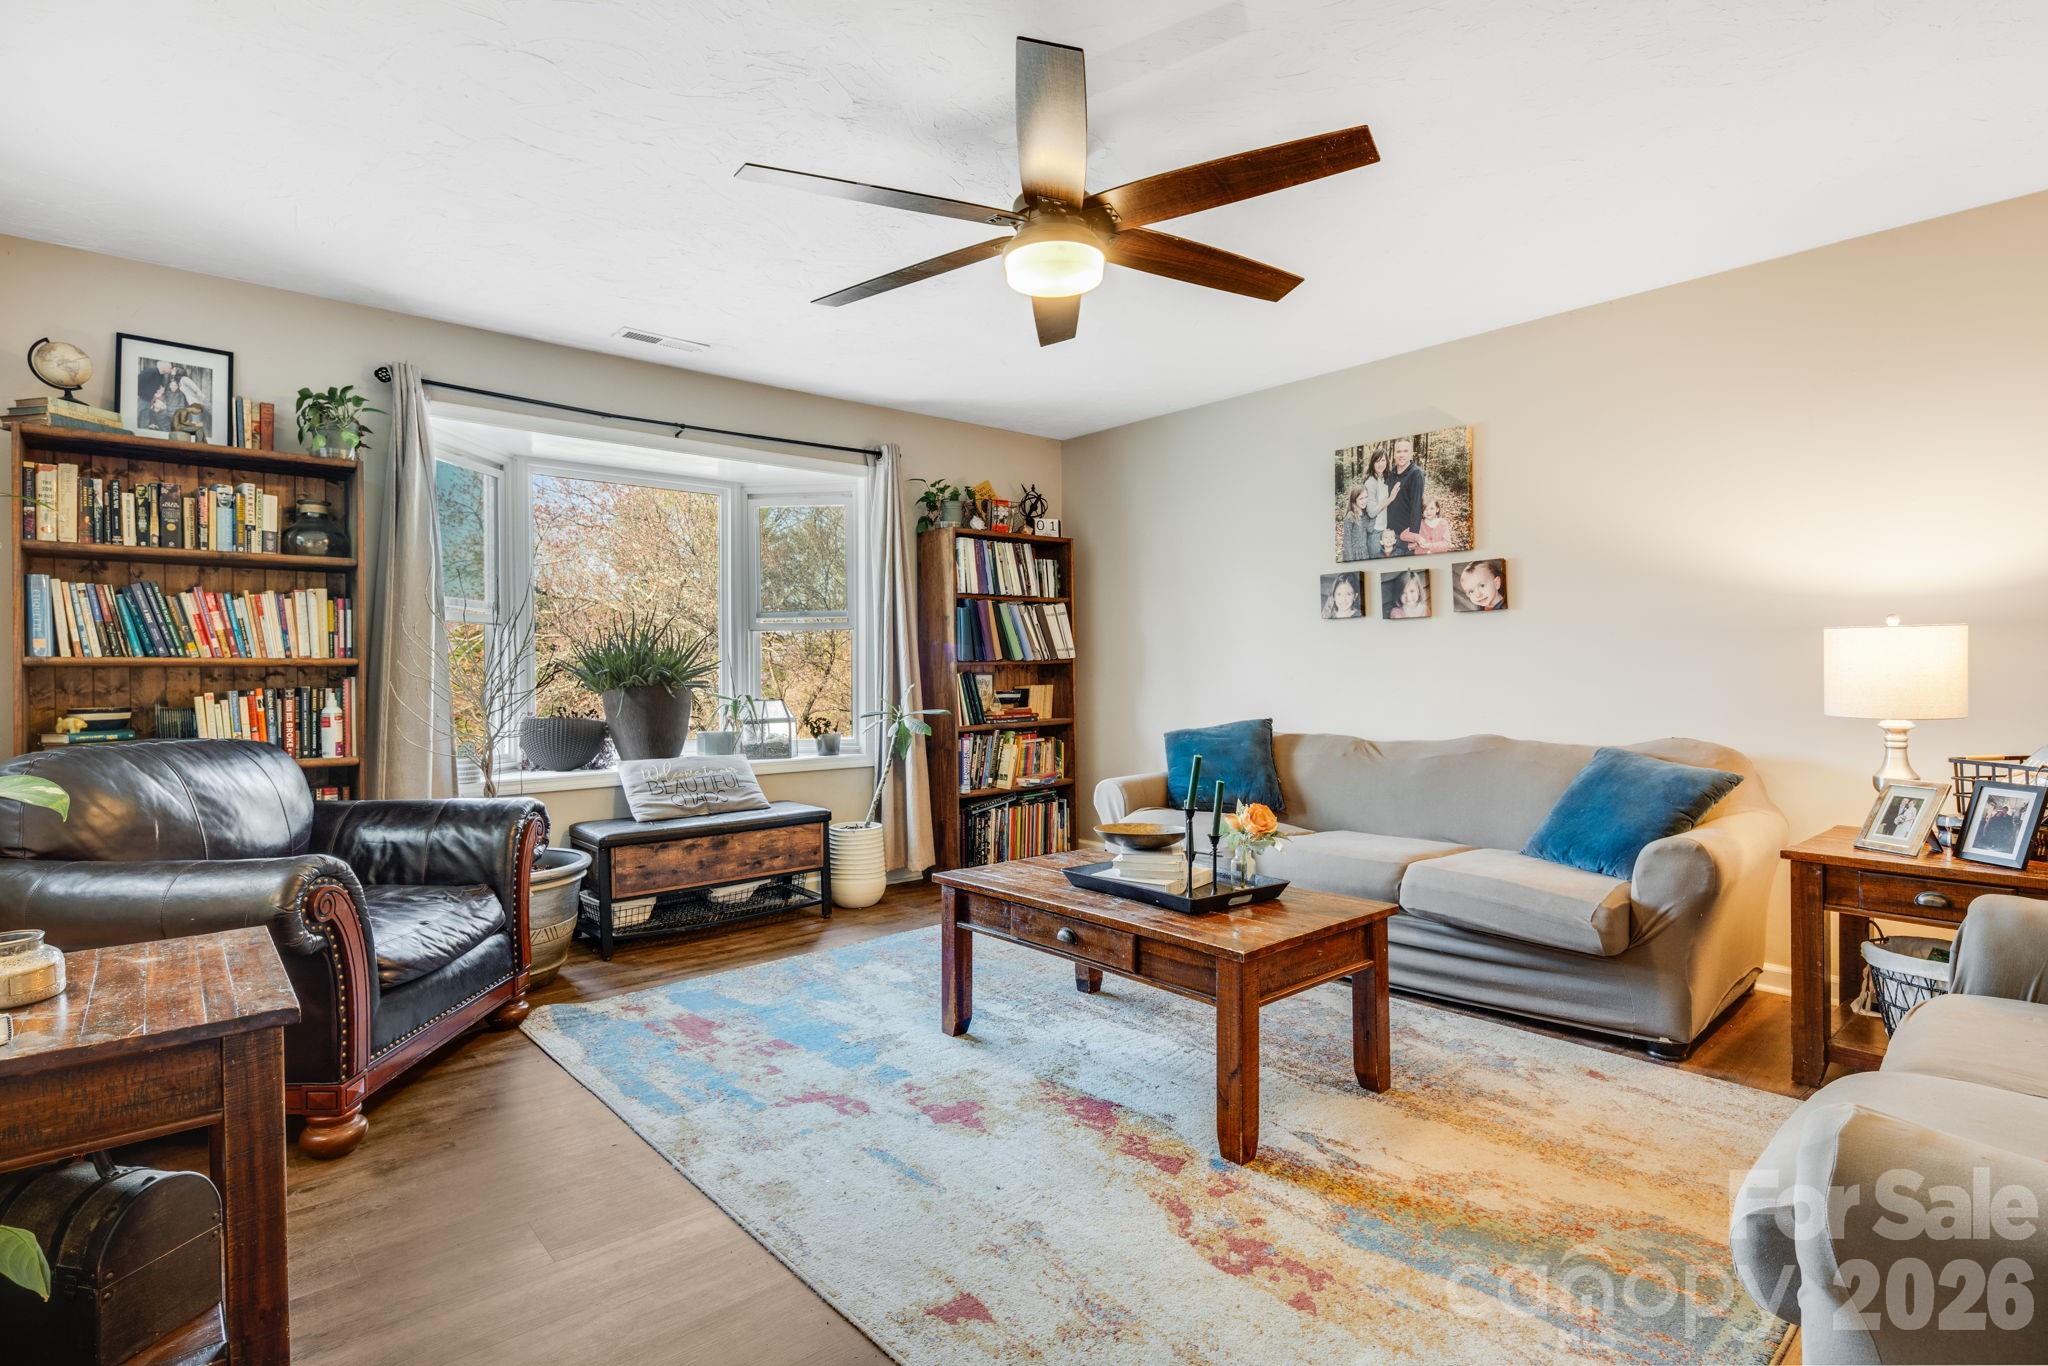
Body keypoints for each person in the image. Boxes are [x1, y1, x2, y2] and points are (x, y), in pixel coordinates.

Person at [1339, 450, 1392, 560]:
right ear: (1372, 463)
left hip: (1383, 529)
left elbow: (1367, 524)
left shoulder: (1384, 479)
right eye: (1377, 461)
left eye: (1383, 460)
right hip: (1375, 531)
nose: (1380, 463)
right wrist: (1390, 499)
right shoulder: (1370, 482)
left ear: (1387, 461)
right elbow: (1372, 513)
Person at [1384, 436, 1426, 554]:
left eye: (1405, 451)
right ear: (1394, 454)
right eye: (1398, 451)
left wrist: (1413, 537)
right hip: (1389, 535)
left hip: (1405, 535)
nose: (1401, 455)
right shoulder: (1390, 473)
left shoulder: (1416, 474)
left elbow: (1416, 507)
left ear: (1411, 453)